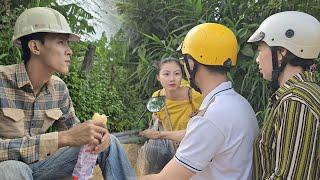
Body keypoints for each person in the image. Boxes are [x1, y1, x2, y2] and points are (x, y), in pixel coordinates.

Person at [0, 7, 134, 180]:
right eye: (60, 42)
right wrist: (62, 138)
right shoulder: (2, 81)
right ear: (35, 46)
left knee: (110, 143)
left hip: (41, 168)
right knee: (12, 169)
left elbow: (75, 132)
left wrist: (95, 135)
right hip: (7, 170)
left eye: (67, 43)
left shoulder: (59, 88)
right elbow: (68, 136)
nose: (69, 51)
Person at [140, 23, 259, 180]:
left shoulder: (213, 116)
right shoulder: (239, 103)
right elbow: (198, 135)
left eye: (184, 61)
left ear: (192, 63)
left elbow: (165, 178)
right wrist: (162, 134)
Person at [247, 11, 320, 179]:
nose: (257, 59)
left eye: (260, 50)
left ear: (281, 52)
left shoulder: (297, 101)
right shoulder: (301, 93)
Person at [140, 57, 203, 142]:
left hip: (192, 146)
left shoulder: (194, 96)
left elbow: (201, 129)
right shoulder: (157, 96)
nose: (172, 79)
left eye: (177, 74)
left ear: (182, 76)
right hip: (169, 149)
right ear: (158, 77)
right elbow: (158, 120)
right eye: (166, 74)